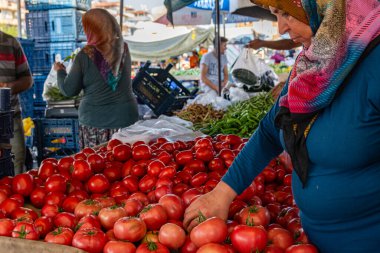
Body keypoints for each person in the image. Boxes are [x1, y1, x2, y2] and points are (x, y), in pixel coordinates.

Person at [184, 0, 380, 252]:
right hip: (311, 240)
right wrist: (222, 193)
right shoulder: (313, 64)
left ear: (326, 5)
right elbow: (269, 131)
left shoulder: (374, 64)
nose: (280, 28)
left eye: (287, 13)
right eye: (275, 15)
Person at [54, 9, 138, 149]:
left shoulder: (85, 55)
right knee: (125, 164)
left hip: (96, 122)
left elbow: (69, 90)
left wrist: (60, 72)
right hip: (126, 119)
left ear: (91, 29)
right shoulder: (124, 48)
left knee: (98, 166)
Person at [0, 31, 33, 175]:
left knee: (17, 164)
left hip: (11, 119)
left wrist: (11, 87)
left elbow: (27, 79)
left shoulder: (11, 43)